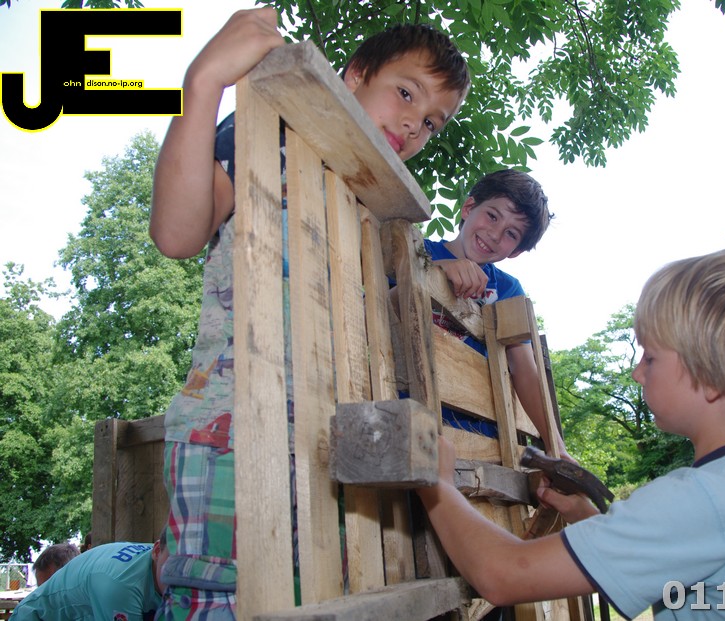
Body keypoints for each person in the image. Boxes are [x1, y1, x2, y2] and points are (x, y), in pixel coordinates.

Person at [149, 7, 469, 618]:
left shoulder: (369, 208)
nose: (414, 123)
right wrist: (204, 81)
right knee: (222, 601)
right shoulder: (272, 130)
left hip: (332, 454)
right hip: (235, 438)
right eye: (406, 93)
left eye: (432, 121)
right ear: (355, 75)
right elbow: (176, 233)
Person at [416, 247, 725, 619]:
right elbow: (662, 558)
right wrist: (584, 515)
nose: (637, 372)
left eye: (651, 357)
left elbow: (503, 576)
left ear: (714, 376)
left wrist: (437, 483)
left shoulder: (703, 499)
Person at [424, 169, 570, 459]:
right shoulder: (417, 250)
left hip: (483, 440)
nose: (494, 234)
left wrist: (557, 447)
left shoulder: (506, 289)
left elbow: (524, 369)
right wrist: (433, 272)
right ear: (468, 208)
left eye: (511, 234)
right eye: (492, 216)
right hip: (416, 417)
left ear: (515, 251)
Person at [12, 531, 168, 620]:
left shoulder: (163, 557)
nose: (179, 575)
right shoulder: (121, 585)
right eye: (175, 563)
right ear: (156, 550)